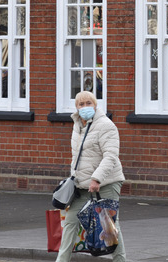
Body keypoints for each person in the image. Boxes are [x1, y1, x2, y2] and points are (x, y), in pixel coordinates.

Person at [56, 90, 127, 262]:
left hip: (106, 183)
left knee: (109, 226)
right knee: (70, 223)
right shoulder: (77, 125)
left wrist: (97, 179)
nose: (85, 107)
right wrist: (73, 178)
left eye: (89, 103)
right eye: (81, 104)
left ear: (95, 105)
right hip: (82, 186)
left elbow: (110, 156)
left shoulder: (106, 125)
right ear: (76, 107)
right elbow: (78, 157)